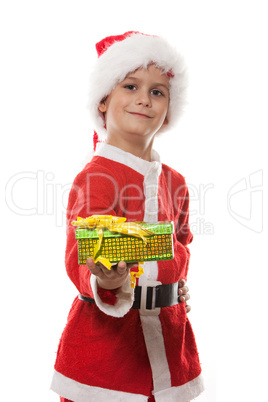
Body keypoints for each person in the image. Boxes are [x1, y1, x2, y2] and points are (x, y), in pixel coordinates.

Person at [51, 31, 204, 401]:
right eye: (131, 86)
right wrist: (107, 280)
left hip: (170, 351)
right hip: (105, 361)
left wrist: (175, 285)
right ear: (103, 101)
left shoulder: (176, 183)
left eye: (157, 92)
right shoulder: (95, 178)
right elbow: (81, 259)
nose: (143, 100)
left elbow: (181, 246)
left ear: (168, 110)